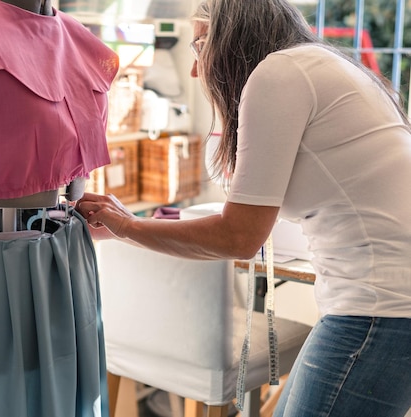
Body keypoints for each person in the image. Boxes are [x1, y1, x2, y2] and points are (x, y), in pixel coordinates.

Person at [75, 0, 411, 416]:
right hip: (383, 303)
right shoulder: (317, 66)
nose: (196, 69)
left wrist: (127, 226)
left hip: (381, 308)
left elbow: (238, 236)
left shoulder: (279, 74)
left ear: (231, 37)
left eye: (198, 46)